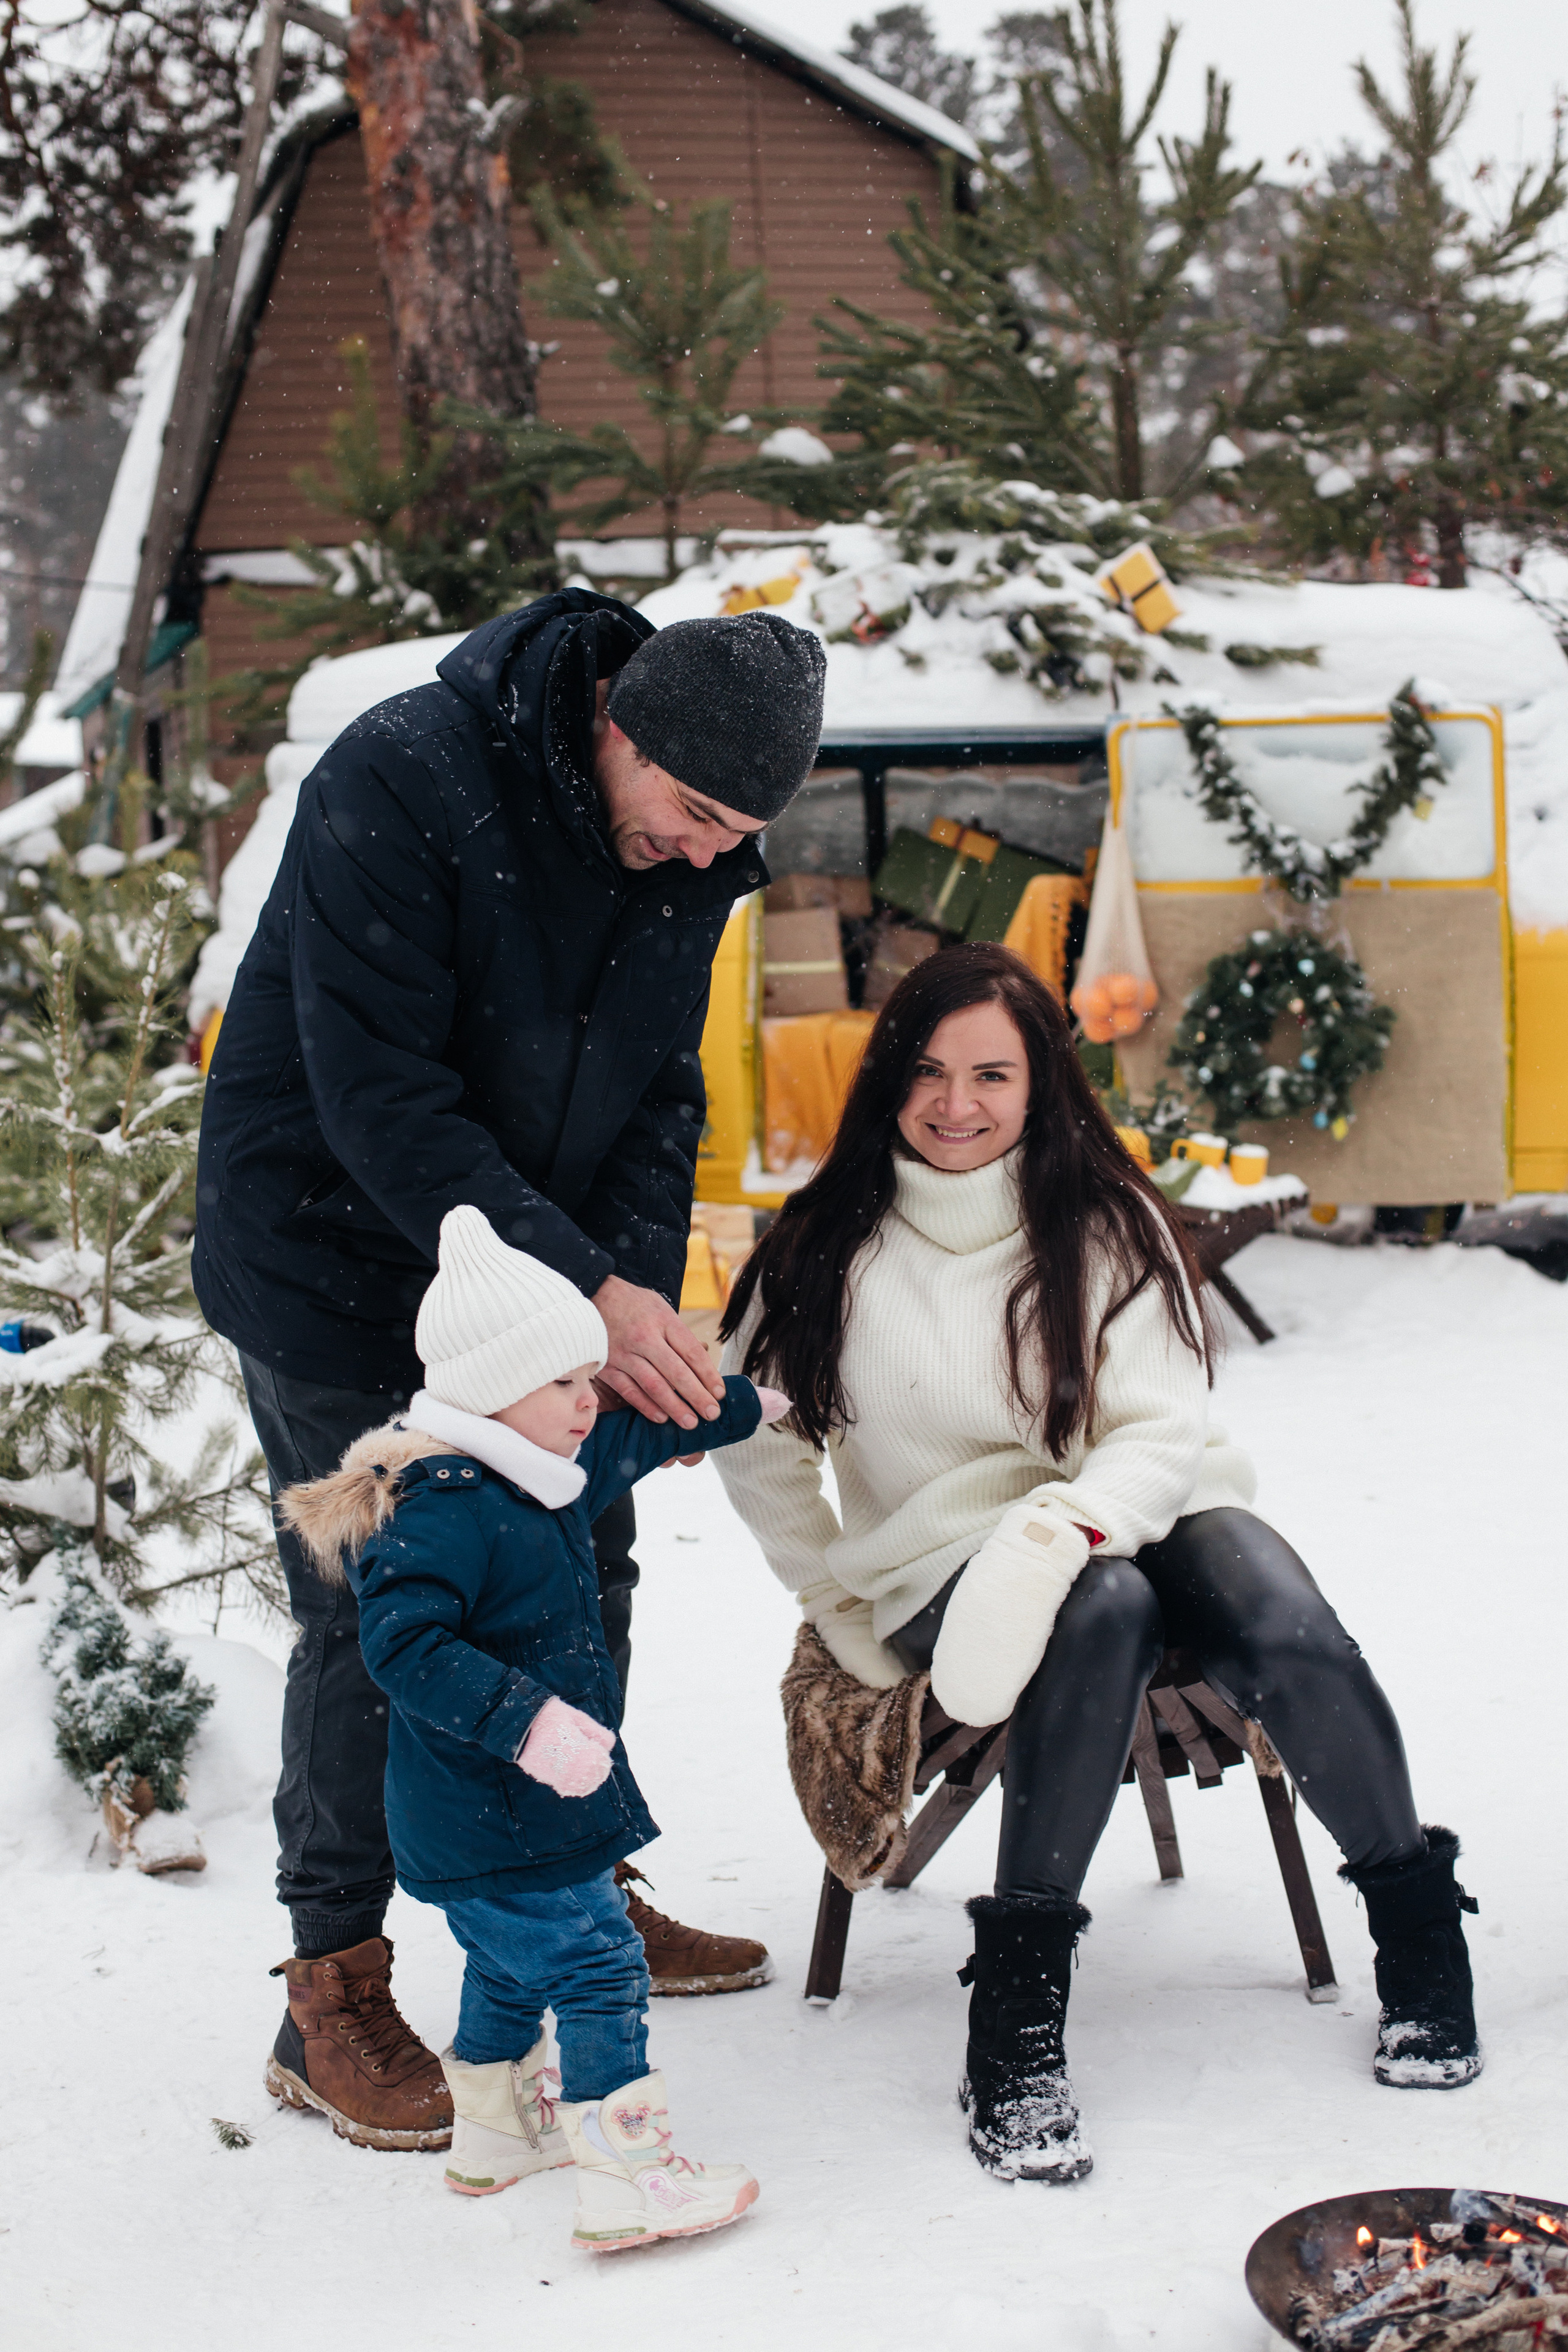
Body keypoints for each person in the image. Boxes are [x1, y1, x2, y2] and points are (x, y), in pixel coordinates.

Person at [194, 587, 826, 2149]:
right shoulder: (403, 775)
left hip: (540, 1279)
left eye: (734, 836)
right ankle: (328, 1996)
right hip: (335, 1258)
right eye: (690, 815)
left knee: (580, 1563)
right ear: (616, 723)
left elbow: (661, 1093)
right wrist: (585, 1286)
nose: (703, 856)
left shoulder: (691, 854)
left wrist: (632, 1298)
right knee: (381, 1611)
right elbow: (381, 1096)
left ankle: (568, 1891)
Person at [714, 943, 1481, 2185]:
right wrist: (830, 1594)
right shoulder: (822, 1243)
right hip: (940, 1563)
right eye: (927, 1071)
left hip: (1127, 1505)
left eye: (991, 1075)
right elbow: (752, 1441)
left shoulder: (1102, 1219)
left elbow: (1161, 1431)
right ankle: (1016, 2021)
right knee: (1104, 1610)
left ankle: (1418, 1935)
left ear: (1039, 1083)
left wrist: (1060, 1528)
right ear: (887, 1077)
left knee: (1276, 1618)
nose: (955, 1103)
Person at [275, 1208, 788, 2245]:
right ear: (486, 1391)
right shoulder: (441, 1508)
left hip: (514, 1813)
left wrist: (746, 1406)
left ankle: (497, 2135)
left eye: (587, 1377)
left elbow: (641, 1436)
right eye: (563, 1382)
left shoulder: (535, 1472)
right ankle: (630, 2176)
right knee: (602, 1967)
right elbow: (406, 1648)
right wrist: (527, 1725)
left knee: (509, 1969)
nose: (589, 1400)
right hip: (495, 1807)